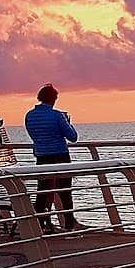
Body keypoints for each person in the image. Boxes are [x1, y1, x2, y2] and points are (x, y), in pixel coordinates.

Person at [24, 83, 81, 232]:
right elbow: (73, 137)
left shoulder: (29, 115)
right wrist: (67, 122)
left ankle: (40, 225)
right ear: (54, 99)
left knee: (42, 191)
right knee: (65, 191)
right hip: (60, 156)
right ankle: (69, 224)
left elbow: (33, 136)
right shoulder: (57, 116)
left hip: (41, 156)